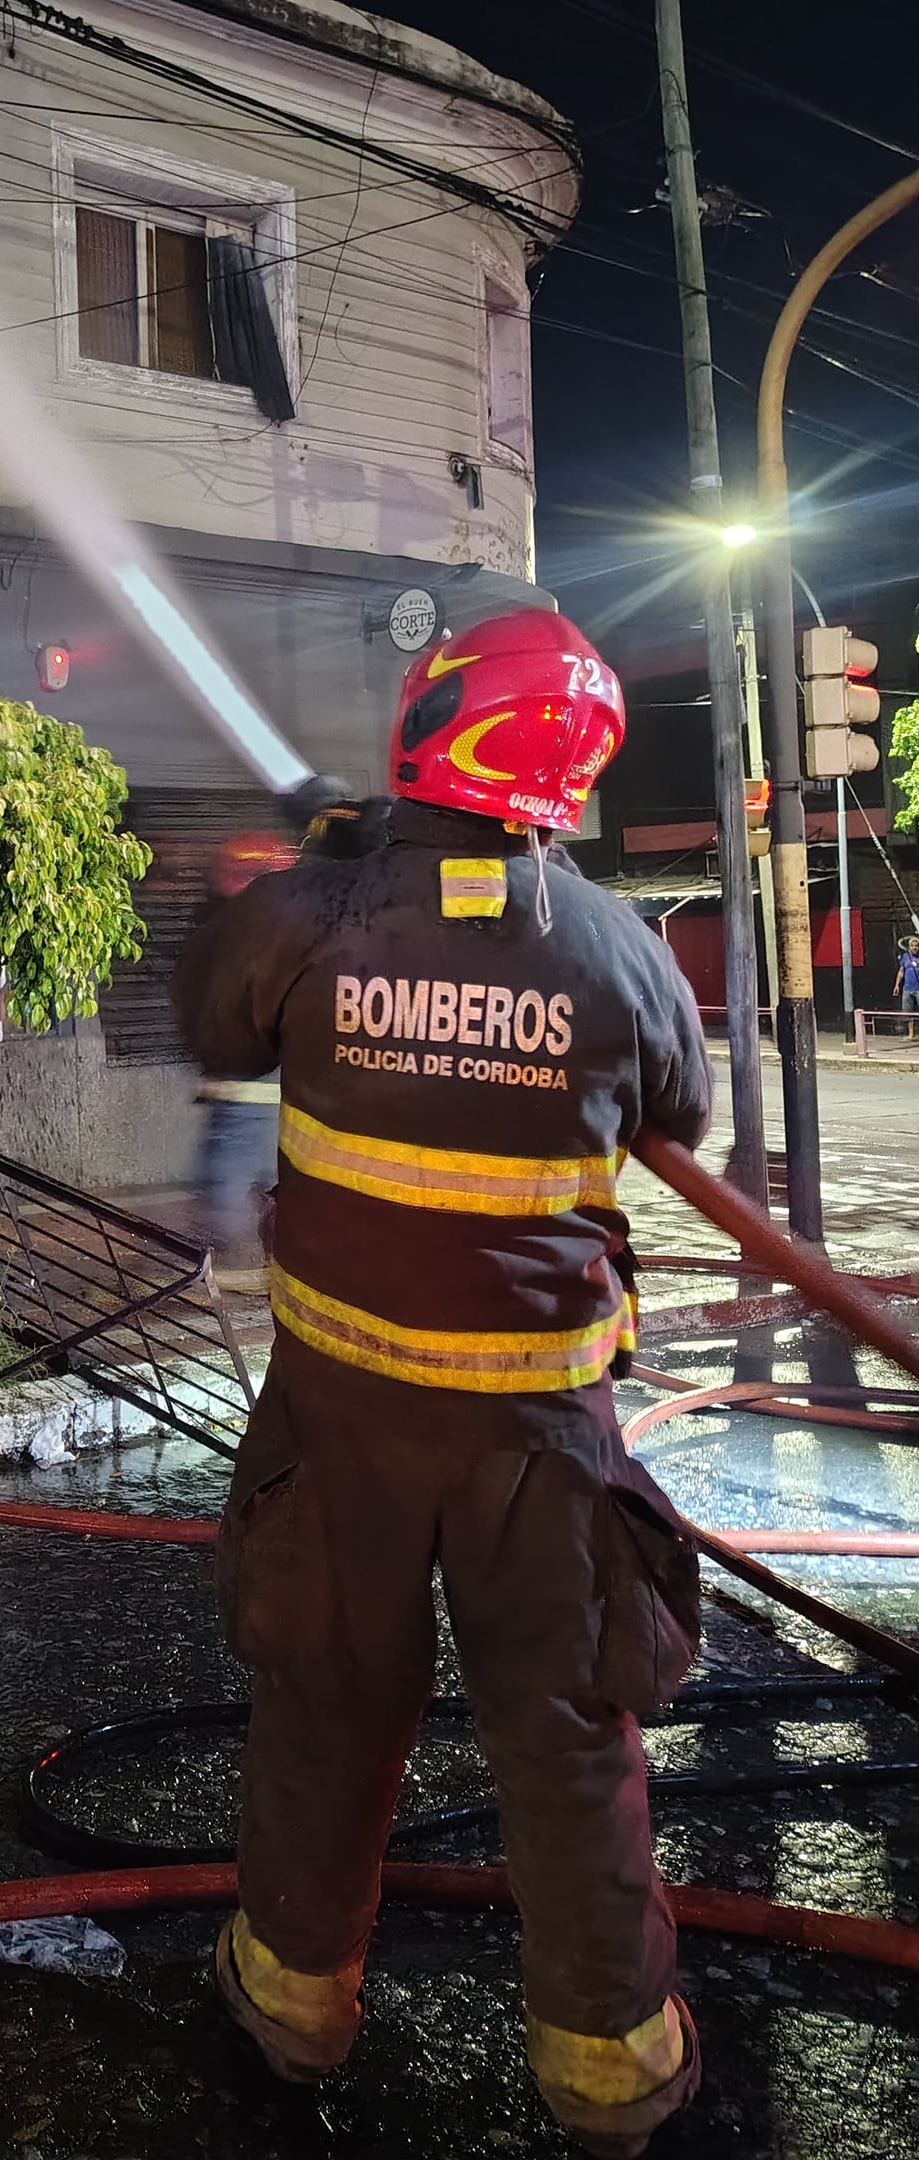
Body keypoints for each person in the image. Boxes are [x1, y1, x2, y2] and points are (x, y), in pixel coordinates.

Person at [174, 607, 710, 2159]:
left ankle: (295, 1999)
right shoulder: (619, 948)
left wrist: (334, 867)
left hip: (341, 1415)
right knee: (565, 1728)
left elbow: (215, 1012)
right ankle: (608, 2062)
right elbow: (677, 1105)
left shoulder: (316, 915)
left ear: (431, 726)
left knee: (331, 1700)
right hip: (543, 1431)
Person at [193, 834, 297, 1270]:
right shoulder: (292, 930)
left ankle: (226, 1263)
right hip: (279, 1085)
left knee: (227, 1174)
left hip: (243, 1081)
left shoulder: (229, 934)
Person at [895, 934, 919, 1038]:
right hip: (907, 989)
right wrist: (897, 985)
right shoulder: (905, 957)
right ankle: (911, 1034)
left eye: (916, 945)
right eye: (912, 946)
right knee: (908, 1013)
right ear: (909, 947)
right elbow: (901, 972)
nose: (914, 947)